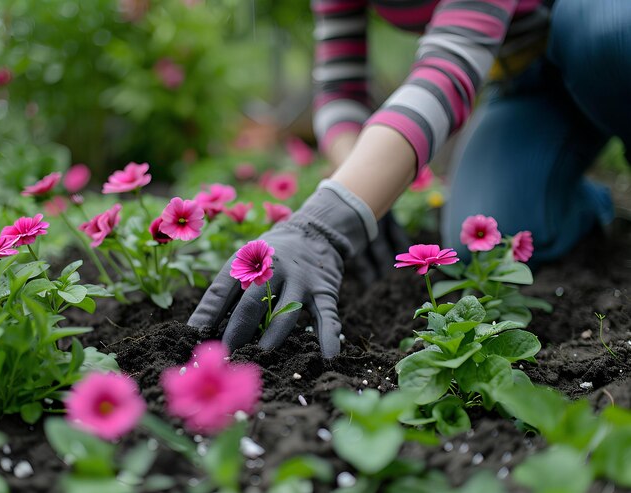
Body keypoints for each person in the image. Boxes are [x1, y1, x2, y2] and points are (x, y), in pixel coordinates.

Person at [189, 0, 630, 358]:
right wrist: (362, 191)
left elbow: (451, 66)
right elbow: (341, 92)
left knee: (611, 34)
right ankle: (588, 205)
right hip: (529, 87)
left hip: (595, 26)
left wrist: (326, 221)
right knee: (490, 235)